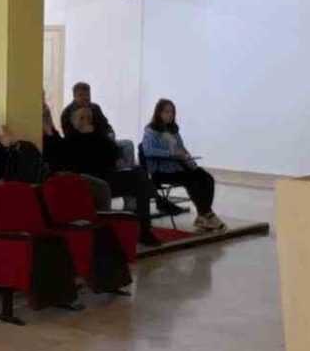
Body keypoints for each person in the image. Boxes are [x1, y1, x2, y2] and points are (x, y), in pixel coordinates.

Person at [57, 107, 159, 247]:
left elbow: (114, 150)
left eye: (89, 118)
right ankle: (155, 201)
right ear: (73, 121)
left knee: (138, 174)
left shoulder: (99, 136)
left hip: (108, 175)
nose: (86, 121)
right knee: (124, 182)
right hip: (90, 180)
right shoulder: (69, 141)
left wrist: (119, 159)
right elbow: (76, 163)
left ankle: (144, 228)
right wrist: (88, 138)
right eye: (81, 118)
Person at [141, 99, 223, 232]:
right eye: (166, 112)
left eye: (172, 112)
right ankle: (207, 214)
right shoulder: (151, 130)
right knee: (191, 180)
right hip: (161, 172)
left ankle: (202, 215)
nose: (169, 115)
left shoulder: (173, 130)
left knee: (207, 178)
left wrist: (191, 163)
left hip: (178, 167)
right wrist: (170, 154)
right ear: (159, 113)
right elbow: (148, 151)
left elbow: (181, 148)